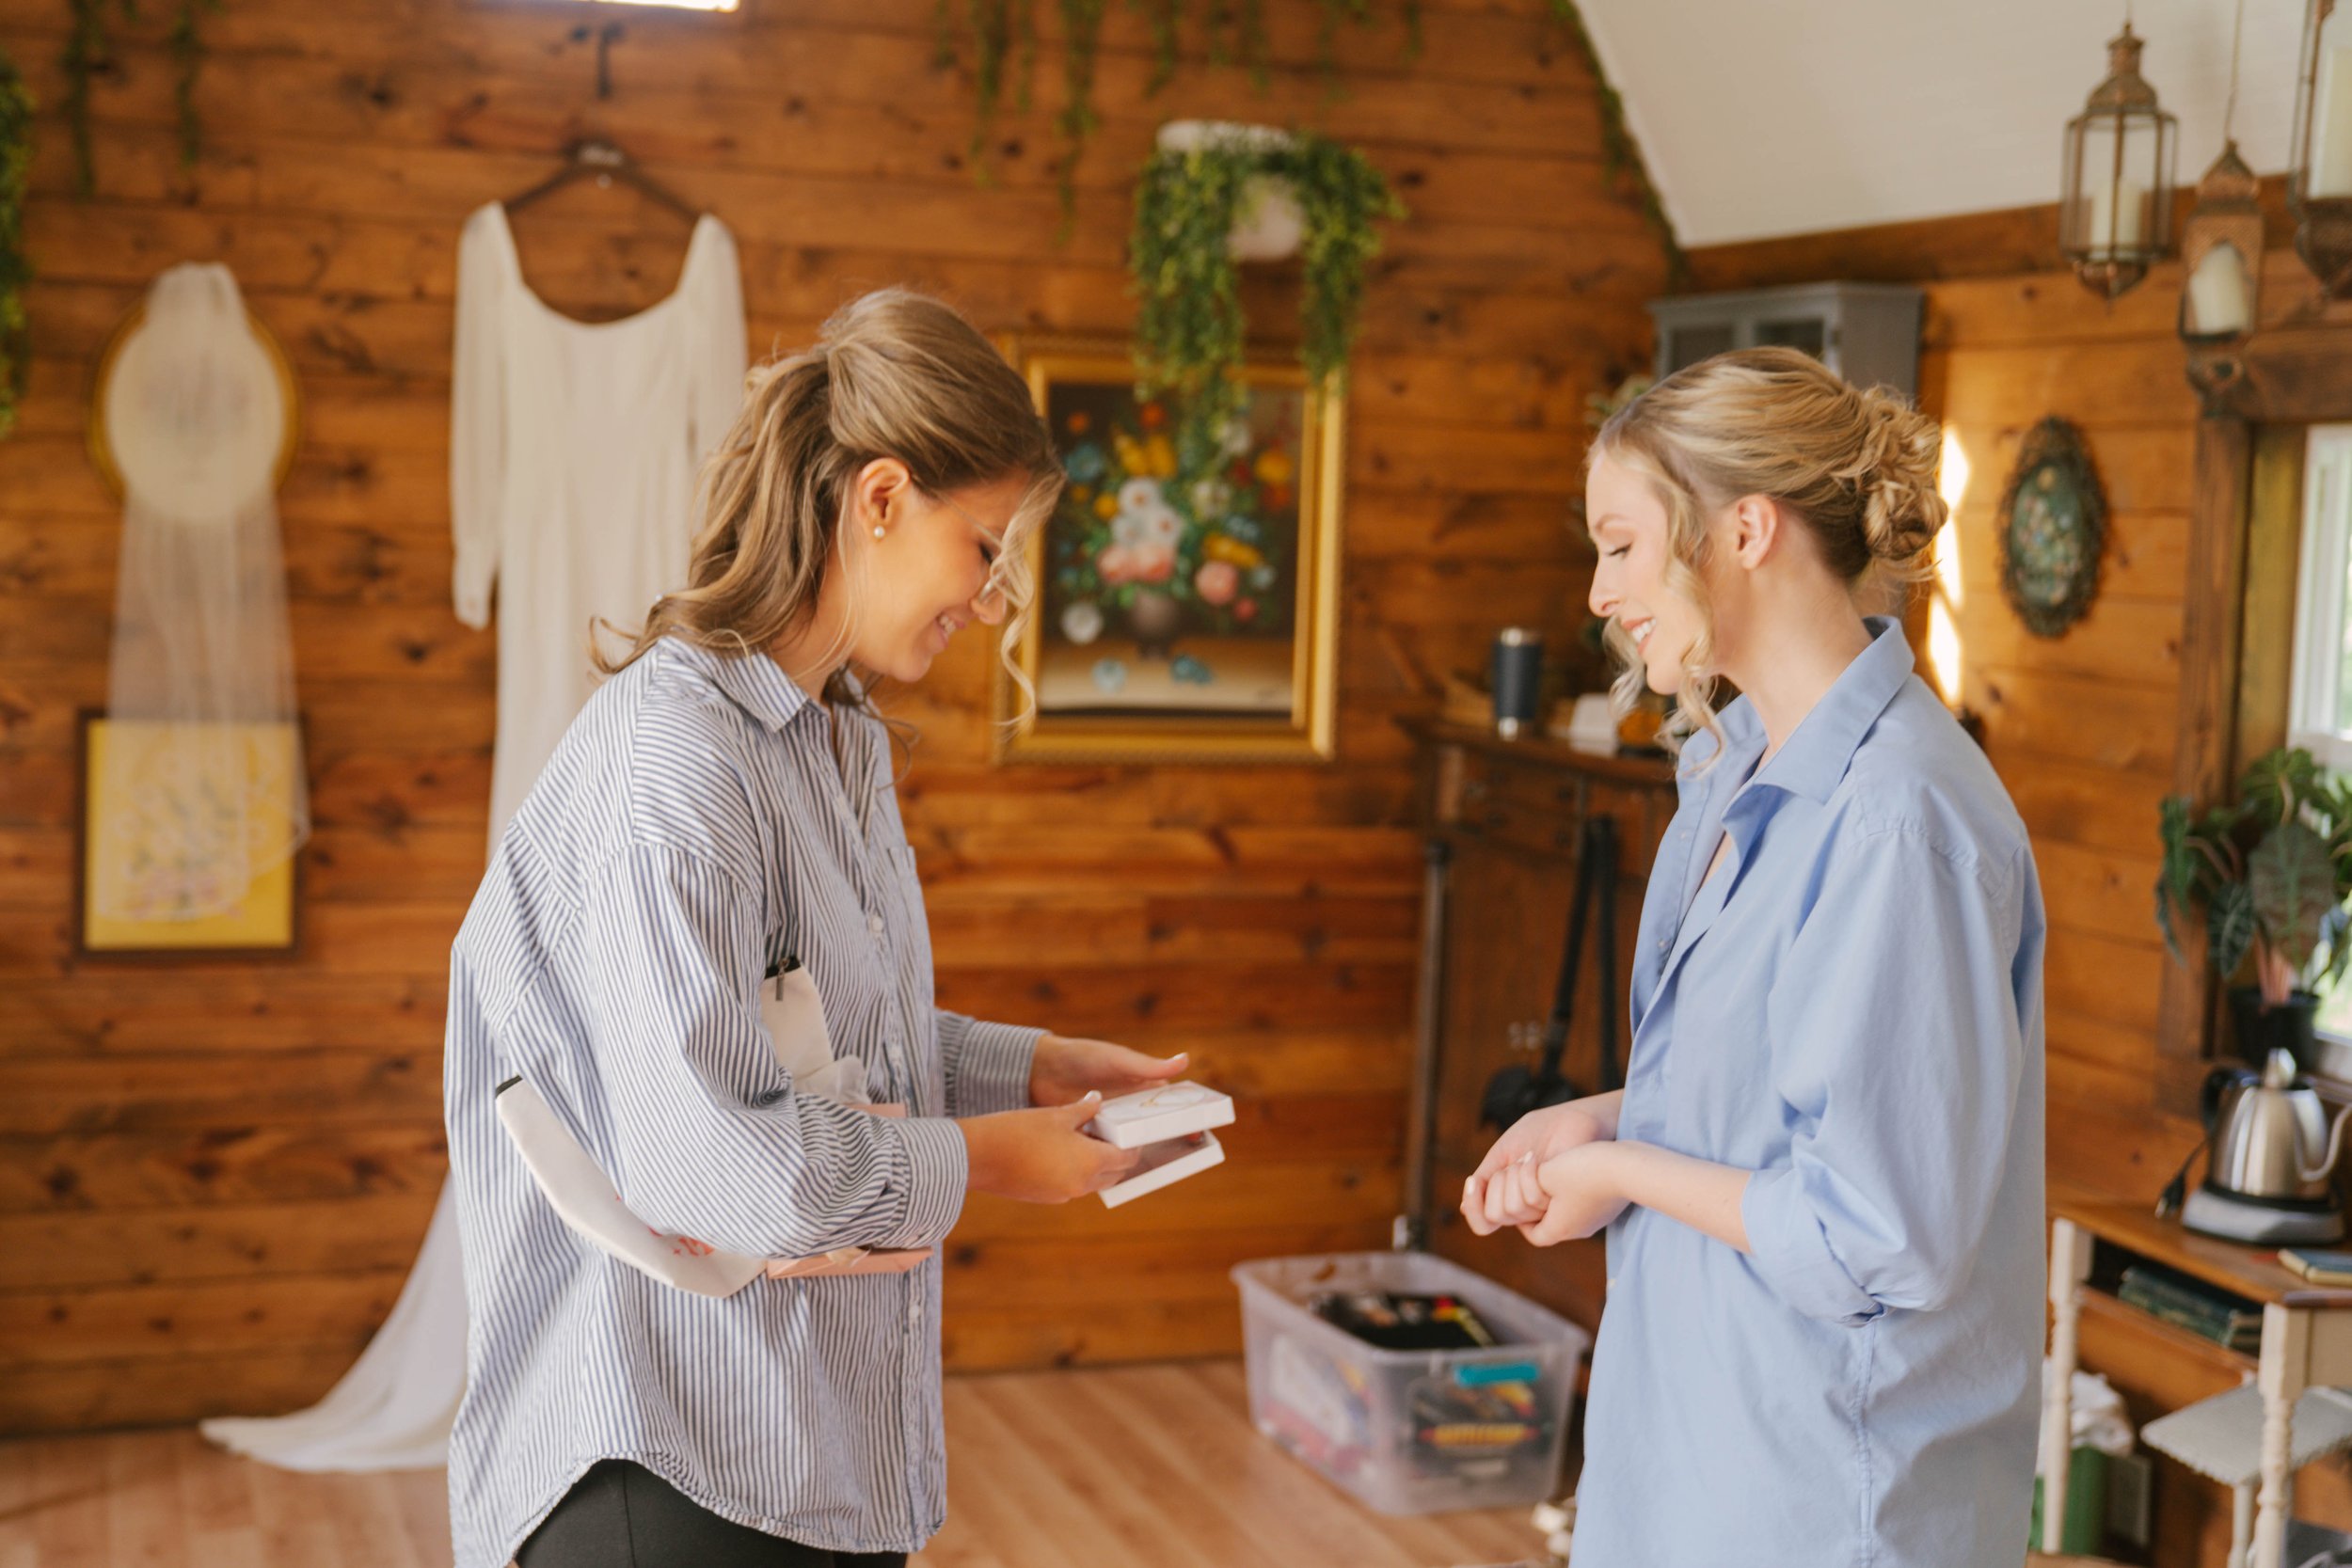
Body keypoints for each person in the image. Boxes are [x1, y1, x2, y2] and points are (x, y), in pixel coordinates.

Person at [441, 288, 1188, 1568]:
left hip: (793, 1454)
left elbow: (814, 1039)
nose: (995, 604)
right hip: (662, 1468)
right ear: (881, 498)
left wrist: (1028, 1064)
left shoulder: (830, 745)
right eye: (987, 549)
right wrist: (993, 1159)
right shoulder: (673, 765)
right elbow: (714, 1164)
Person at [1463, 348, 2045, 1566]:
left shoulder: (1895, 822)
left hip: (1820, 1507)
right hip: (1700, 1470)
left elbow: (1873, 1231)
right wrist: (1612, 1115)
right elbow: (1814, 1096)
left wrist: (1625, 1162)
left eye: (1620, 544)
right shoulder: (1734, 773)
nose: (1597, 590)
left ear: (1744, 529)